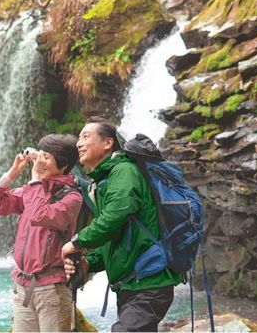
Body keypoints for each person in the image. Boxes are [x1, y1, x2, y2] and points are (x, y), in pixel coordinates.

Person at [62, 116, 181, 332]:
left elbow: (115, 216)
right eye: (78, 138)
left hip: (149, 282)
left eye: (86, 136)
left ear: (107, 143)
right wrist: (89, 263)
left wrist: (77, 242)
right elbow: (115, 239)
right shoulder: (105, 180)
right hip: (132, 284)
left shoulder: (123, 170)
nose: (78, 143)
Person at [0, 134, 83, 332]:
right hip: (23, 286)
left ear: (63, 166)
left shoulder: (71, 198)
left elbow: (39, 215)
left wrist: (35, 181)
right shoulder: (32, 191)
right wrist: (12, 173)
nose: (39, 162)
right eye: (40, 155)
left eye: (46, 157)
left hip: (52, 289)